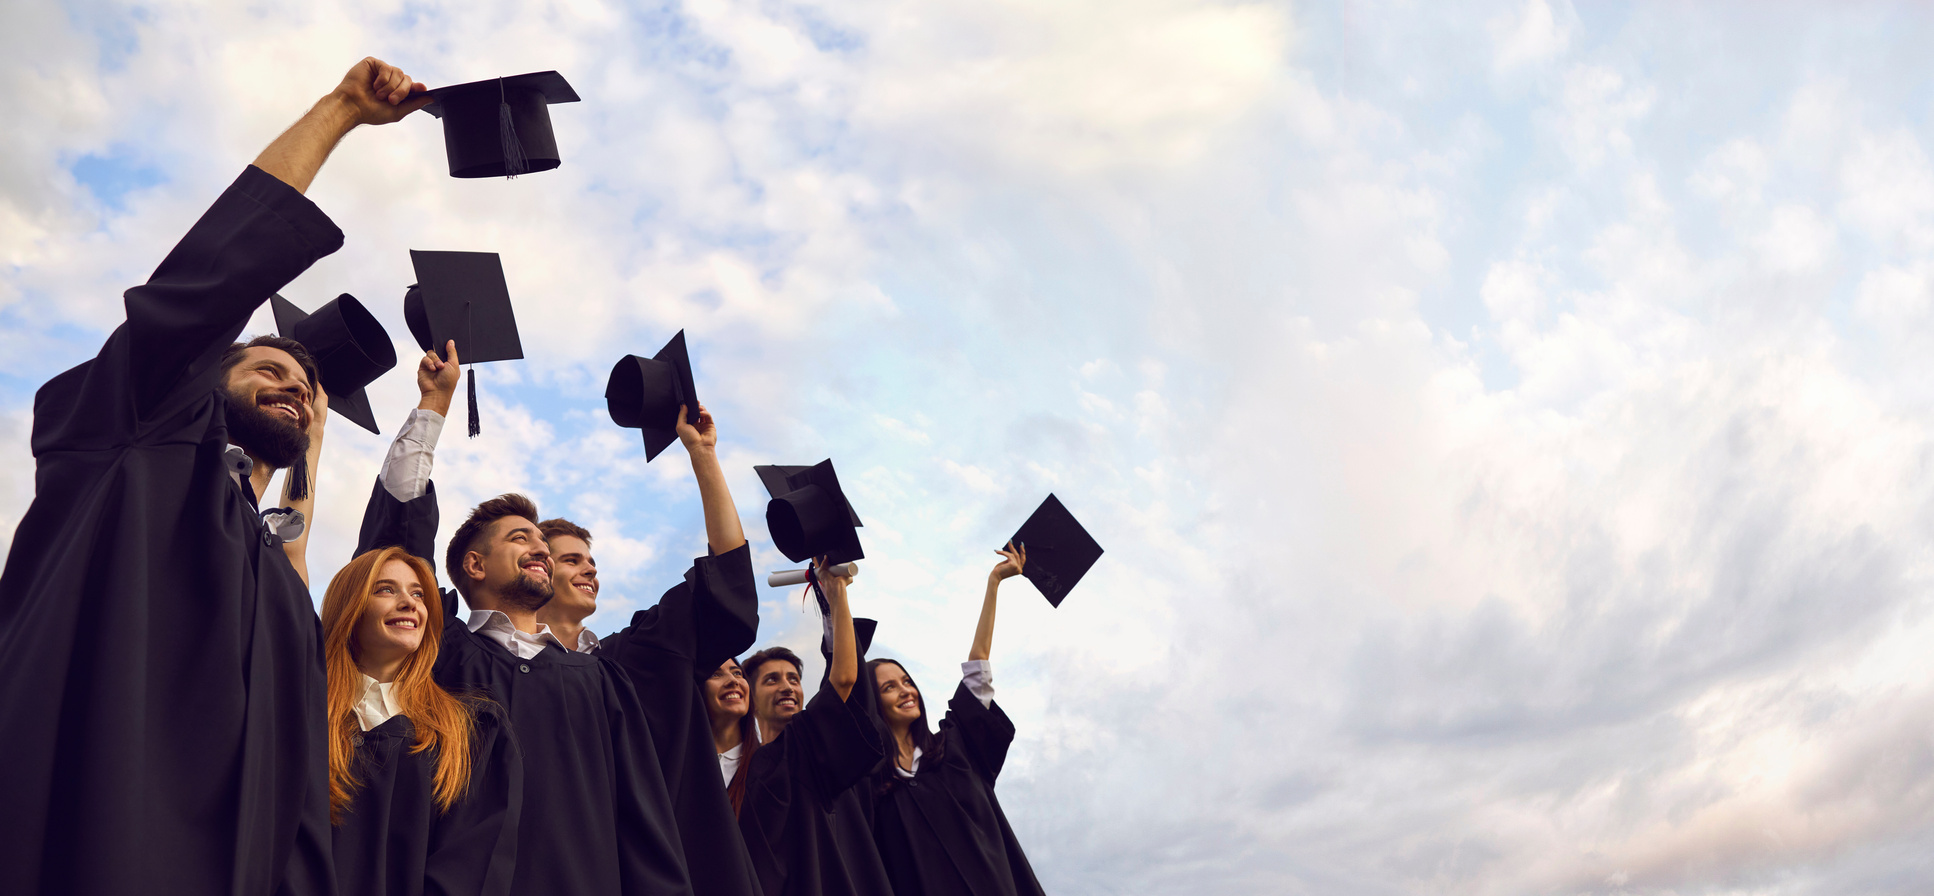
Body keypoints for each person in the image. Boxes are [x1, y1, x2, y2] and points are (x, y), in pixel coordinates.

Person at [0, 57, 429, 895]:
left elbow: (300, 787)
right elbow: (204, 284)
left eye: (308, 388)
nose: (296, 386)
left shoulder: (277, 584)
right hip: (85, 848)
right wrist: (338, 112)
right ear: (203, 376)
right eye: (267, 366)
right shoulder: (136, 440)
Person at [354, 366, 694, 896]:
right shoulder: (440, 653)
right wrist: (434, 407)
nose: (539, 548)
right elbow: (392, 553)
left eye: (541, 540)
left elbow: (643, 825)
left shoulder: (599, 680)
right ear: (474, 565)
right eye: (519, 539)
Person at [542, 402, 766, 896]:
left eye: (592, 561)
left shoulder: (633, 657)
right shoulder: (492, 666)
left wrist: (703, 456)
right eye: (572, 560)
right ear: (536, 569)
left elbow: (724, 587)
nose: (590, 570)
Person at [320, 545, 523, 896]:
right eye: (386, 589)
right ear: (348, 607)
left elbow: (472, 867)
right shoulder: (301, 718)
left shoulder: (470, 731)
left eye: (418, 594)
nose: (410, 603)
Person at [866, 543, 1045, 896]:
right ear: (874, 704)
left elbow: (978, 668)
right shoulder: (871, 783)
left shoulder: (955, 747)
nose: (906, 691)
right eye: (889, 687)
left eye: (907, 682)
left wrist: (994, 583)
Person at [735, 568, 895, 896]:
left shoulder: (818, 746)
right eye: (771, 680)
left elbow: (845, 684)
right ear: (749, 699)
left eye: (794, 679)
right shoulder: (742, 773)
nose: (787, 687)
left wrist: (834, 596)